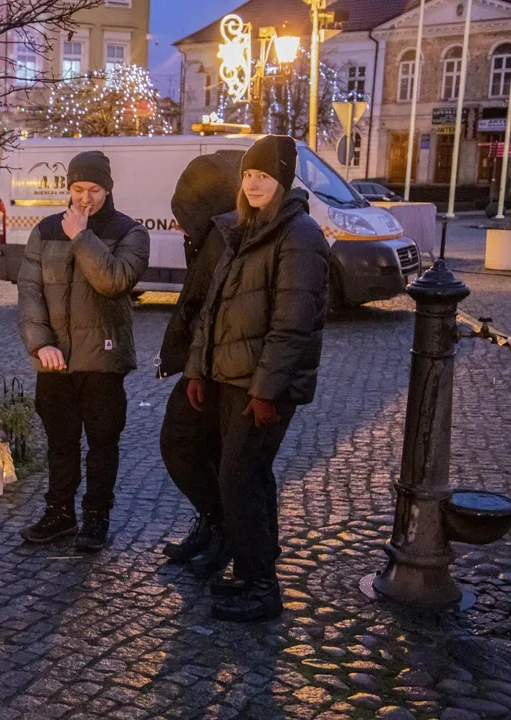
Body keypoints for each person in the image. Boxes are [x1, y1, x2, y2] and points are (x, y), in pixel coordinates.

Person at [184, 135, 329, 622]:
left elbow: (292, 325)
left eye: (263, 176)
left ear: (283, 182)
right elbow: (215, 307)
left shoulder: (300, 235)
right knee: (250, 477)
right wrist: (198, 369)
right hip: (231, 380)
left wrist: (265, 392)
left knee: (238, 478)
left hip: (262, 389)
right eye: (248, 176)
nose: (252, 185)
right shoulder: (245, 230)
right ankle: (253, 572)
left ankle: (263, 588)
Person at [17, 151, 151, 552]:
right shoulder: (43, 231)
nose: (85, 197)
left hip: (103, 362)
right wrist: (41, 344)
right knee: (60, 445)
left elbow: (115, 280)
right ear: (67, 188)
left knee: (102, 443)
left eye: (93, 189)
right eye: (77, 189)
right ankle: (59, 514)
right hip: (54, 363)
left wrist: (82, 236)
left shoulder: (130, 232)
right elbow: (29, 291)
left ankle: (95, 518)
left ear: (108, 189)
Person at [157, 152, 240, 575]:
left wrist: (199, 368)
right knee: (188, 445)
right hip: (204, 366)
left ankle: (222, 528)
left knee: (183, 443)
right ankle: (212, 523)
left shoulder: (223, 241)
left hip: (218, 370)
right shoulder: (210, 239)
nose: (177, 224)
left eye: (183, 213)